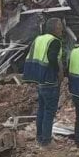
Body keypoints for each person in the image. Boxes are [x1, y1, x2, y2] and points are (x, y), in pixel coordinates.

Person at [23, 18, 65, 147]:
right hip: (50, 80)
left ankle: (39, 137)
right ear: (55, 29)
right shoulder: (54, 41)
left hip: (40, 80)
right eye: (60, 27)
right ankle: (46, 140)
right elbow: (52, 58)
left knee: (41, 109)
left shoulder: (39, 39)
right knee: (49, 111)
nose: (62, 30)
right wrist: (59, 73)